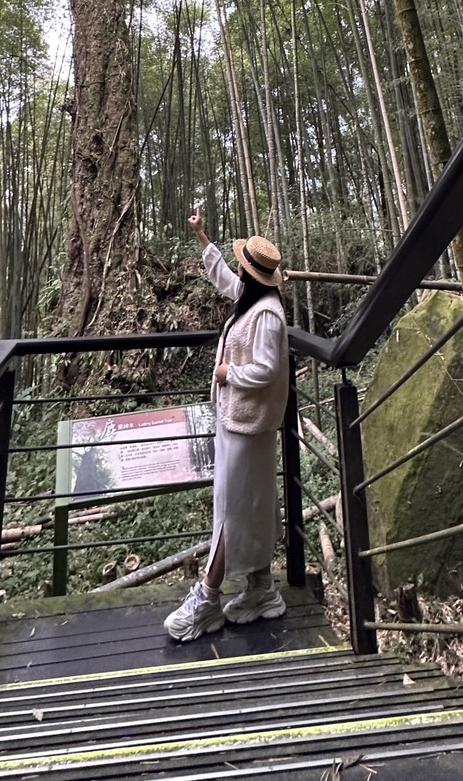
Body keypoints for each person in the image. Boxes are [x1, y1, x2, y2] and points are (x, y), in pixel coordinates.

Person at [163, 205, 290, 642]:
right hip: (237, 420)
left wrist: (227, 374)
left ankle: (208, 597)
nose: (238, 271)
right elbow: (225, 280)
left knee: (231, 510)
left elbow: (267, 370)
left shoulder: (268, 314)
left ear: (258, 276)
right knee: (249, 503)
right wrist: (202, 237)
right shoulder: (252, 299)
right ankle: (261, 587)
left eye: (243, 267)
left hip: (249, 424)